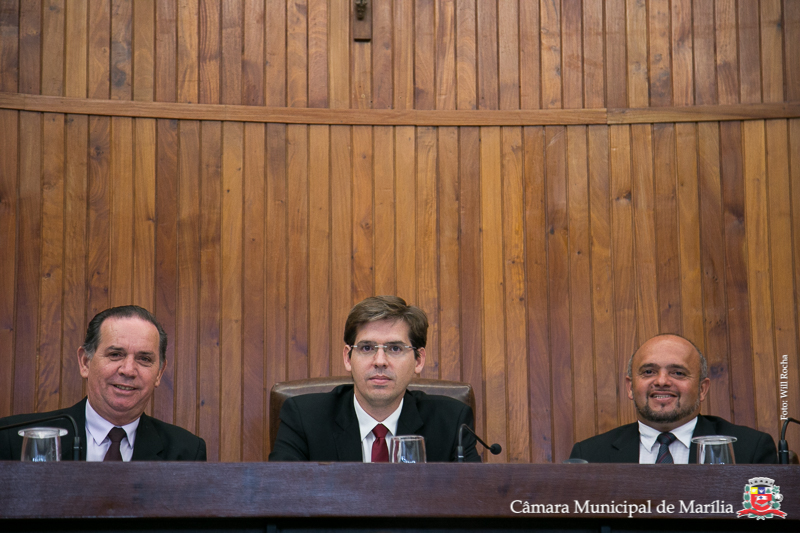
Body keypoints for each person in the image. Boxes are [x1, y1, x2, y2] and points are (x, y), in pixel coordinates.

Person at [269, 296, 480, 462]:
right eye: (367, 348)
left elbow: (472, 500)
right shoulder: (304, 418)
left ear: (418, 360)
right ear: (348, 358)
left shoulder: (452, 422)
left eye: (395, 348)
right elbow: (280, 498)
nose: (380, 361)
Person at [0, 305, 206, 461]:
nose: (128, 370)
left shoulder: (186, 452)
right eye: (115, 354)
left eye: (144, 359)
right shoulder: (12, 438)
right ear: (85, 362)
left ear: (159, 372)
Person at [569, 334, 777, 464]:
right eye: (649, 372)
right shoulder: (590, 455)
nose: (661, 381)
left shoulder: (750, 449)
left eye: (678, 373)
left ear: (702, 389)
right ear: (630, 387)